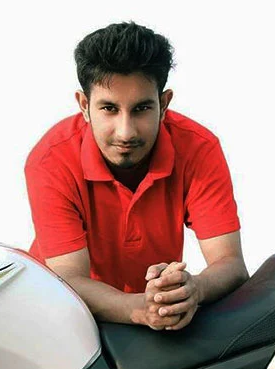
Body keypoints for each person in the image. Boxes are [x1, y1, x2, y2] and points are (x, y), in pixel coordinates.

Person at [25, 22, 249, 331]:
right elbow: (67, 279)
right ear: (84, 106)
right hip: (62, 319)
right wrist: (141, 308)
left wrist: (193, 289)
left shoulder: (199, 148)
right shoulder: (50, 160)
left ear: (164, 104)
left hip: (154, 320)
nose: (126, 132)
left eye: (141, 108)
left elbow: (231, 265)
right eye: (109, 109)